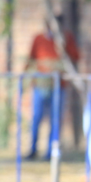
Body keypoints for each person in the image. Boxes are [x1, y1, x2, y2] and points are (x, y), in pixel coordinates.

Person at [25, 17, 80, 160]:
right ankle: (32, 150)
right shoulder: (38, 38)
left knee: (55, 119)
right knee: (36, 118)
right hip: (40, 85)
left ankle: (51, 152)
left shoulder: (65, 38)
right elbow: (30, 59)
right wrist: (25, 79)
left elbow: (76, 56)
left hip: (58, 86)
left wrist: (62, 45)